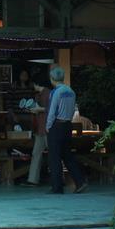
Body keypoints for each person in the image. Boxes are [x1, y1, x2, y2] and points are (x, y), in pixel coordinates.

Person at [43, 66, 89, 194]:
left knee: (54, 157)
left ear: (52, 79)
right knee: (67, 155)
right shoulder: (71, 91)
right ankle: (80, 182)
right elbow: (73, 109)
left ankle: (57, 187)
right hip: (67, 125)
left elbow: (52, 111)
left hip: (56, 126)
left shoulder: (55, 92)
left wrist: (48, 126)